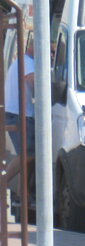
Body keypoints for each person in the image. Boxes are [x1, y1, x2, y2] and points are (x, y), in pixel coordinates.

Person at [4, 35, 35, 164]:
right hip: (19, 114)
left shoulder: (21, 61)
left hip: (15, 112)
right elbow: (34, 82)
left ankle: (23, 184)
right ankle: (3, 181)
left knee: (28, 156)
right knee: (26, 155)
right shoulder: (28, 62)